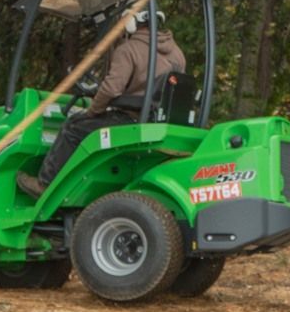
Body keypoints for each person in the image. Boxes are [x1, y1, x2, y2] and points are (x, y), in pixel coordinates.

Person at [16, 10, 187, 196]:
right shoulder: (177, 53)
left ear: (131, 23)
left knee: (73, 127)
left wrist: (93, 110)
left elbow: (111, 89)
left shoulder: (129, 49)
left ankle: (45, 185)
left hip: (131, 119)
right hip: (159, 122)